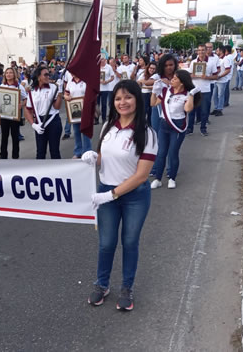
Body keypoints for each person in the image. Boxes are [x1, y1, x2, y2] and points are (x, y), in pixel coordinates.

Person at [82, 80, 158, 311]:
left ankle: (127, 287)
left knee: (129, 242)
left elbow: (141, 175)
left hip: (134, 196)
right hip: (107, 191)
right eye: (117, 98)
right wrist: (94, 158)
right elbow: (105, 156)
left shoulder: (147, 133)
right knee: (106, 244)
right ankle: (101, 284)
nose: (122, 102)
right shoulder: (108, 126)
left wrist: (111, 195)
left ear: (137, 99)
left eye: (127, 97)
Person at [150, 70, 199, 189]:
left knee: (172, 152)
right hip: (164, 124)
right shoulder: (166, 91)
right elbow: (153, 103)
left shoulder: (186, 94)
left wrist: (191, 95)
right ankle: (158, 178)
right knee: (161, 152)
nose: (172, 80)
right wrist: (154, 92)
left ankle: (172, 178)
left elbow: (187, 109)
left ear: (182, 83)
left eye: (175, 79)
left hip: (177, 126)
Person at [24, 66, 63, 159]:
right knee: (40, 152)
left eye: (48, 74)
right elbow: (28, 110)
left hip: (53, 121)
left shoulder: (53, 87)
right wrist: (33, 125)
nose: (48, 76)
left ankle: (57, 173)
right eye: (45, 74)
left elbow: (57, 107)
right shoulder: (32, 91)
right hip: (39, 122)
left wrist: (60, 92)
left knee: (54, 151)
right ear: (38, 77)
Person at [188, 44, 219, 136]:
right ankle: (190, 129)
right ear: (197, 51)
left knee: (205, 111)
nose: (201, 52)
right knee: (191, 111)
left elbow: (216, 76)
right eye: (199, 50)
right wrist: (192, 76)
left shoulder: (211, 63)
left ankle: (203, 128)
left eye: (202, 50)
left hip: (205, 89)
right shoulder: (193, 62)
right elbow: (188, 75)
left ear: (206, 51)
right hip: (194, 90)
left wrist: (207, 77)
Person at [0, 67, 26, 159]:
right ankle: (3, 157)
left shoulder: (19, 86)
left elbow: (25, 100)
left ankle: (15, 156)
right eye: (7, 73)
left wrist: (21, 105)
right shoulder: (2, 86)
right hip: (4, 116)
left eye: (10, 73)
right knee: (4, 138)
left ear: (14, 74)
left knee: (15, 138)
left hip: (14, 116)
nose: (8, 74)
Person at [65, 74, 92, 159]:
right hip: (74, 109)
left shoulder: (85, 80)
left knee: (85, 132)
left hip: (85, 109)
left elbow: (91, 93)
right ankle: (78, 152)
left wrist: (86, 98)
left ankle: (87, 152)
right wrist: (66, 97)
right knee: (76, 131)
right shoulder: (70, 81)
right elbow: (66, 93)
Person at [150, 54, 178, 132]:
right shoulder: (158, 76)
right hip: (158, 106)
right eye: (166, 65)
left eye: (171, 65)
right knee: (156, 129)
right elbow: (147, 82)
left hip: (174, 107)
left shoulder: (178, 76)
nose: (169, 67)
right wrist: (159, 81)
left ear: (175, 65)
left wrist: (170, 83)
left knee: (170, 131)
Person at [99, 58, 116, 123]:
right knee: (96, 104)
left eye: (103, 59)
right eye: (100, 60)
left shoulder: (108, 67)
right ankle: (96, 118)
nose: (101, 61)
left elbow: (112, 77)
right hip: (97, 88)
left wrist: (107, 81)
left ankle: (103, 118)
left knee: (104, 104)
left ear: (105, 60)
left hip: (105, 88)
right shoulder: (96, 66)